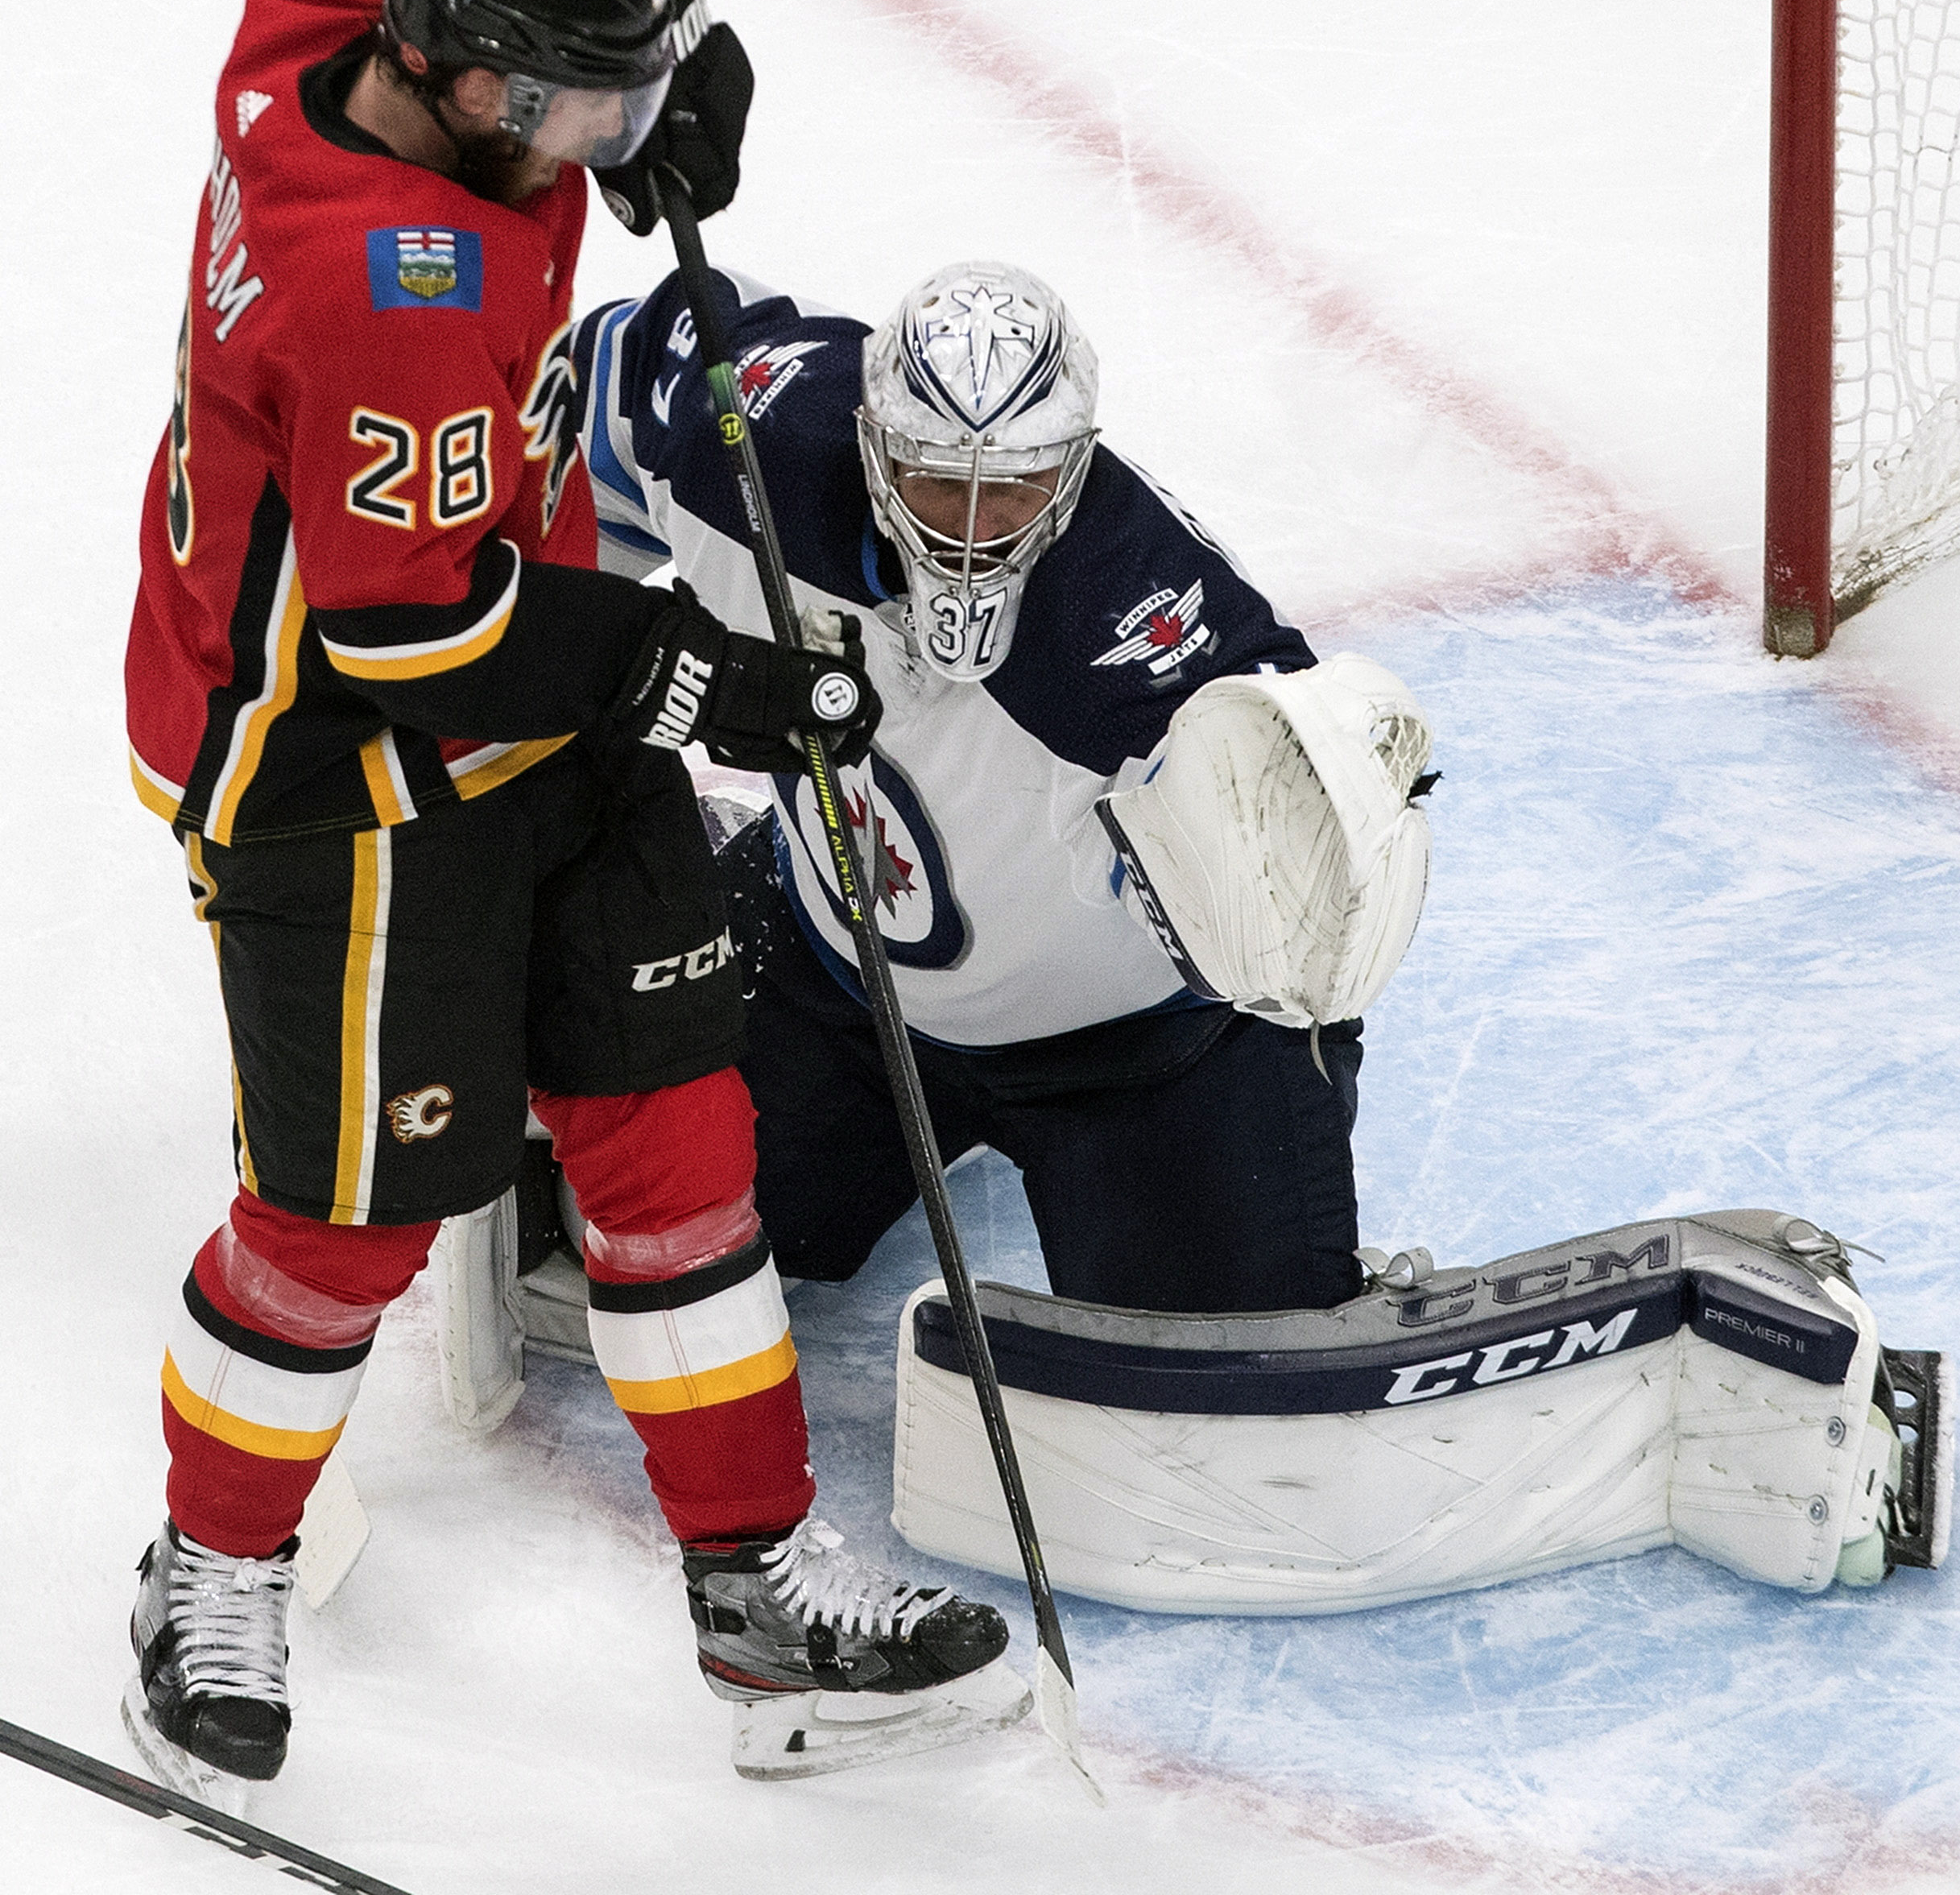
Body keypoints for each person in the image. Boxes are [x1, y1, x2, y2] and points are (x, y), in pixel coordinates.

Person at [120, 0, 1021, 1801]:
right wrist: (703, 676)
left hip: (529, 681)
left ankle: (758, 1590)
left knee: (680, 1145)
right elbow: (411, 636)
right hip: (331, 772)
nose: (621, 156)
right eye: (593, 119)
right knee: (343, 1221)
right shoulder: (383, 281)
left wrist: (652, 50)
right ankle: (212, 1561)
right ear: (466, 79)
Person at [554, 258, 1383, 1318]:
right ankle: (758, 892)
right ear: (873, 440)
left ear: (1073, 464)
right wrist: (553, 635)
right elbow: (618, 369)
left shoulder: (1141, 618)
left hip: (1142, 1055)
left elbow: (1310, 866)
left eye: (1018, 485)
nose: (973, 526)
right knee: (631, 1229)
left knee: (1215, 1367)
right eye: (938, 478)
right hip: (842, 984)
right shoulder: (753, 446)